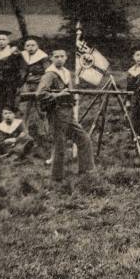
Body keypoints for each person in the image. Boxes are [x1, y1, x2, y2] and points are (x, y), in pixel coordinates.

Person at [38, 49, 95, 182]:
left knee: (84, 139)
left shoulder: (66, 73)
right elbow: (40, 94)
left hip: (68, 113)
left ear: (66, 58)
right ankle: (57, 178)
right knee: (60, 145)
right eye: (56, 56)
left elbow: (70, 92)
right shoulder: (50, 75)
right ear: (51, 58)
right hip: (56, 113)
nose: (59, 59)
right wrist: (58, 95)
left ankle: (86, 171)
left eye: (62, 56)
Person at [0, 30, 23, 123]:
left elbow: (20, 68)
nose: (1, 42)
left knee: (9, 105)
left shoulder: (14, 52)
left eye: (3, 39)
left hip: (10, 83)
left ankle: (10, 125)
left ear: (8, 41)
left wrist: (18, 83)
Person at [18, 38, 50, 136]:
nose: (30, 48)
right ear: (24, 47)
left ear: (37, 46)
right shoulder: (23, 56)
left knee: (41, 109)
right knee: (24, 109)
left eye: (33, 45)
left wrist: (44, 85)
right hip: (26, 85)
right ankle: (24, 133)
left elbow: (48, 72)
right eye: (28, 45)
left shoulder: (43, 57)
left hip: (39, 84)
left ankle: (44, 133)